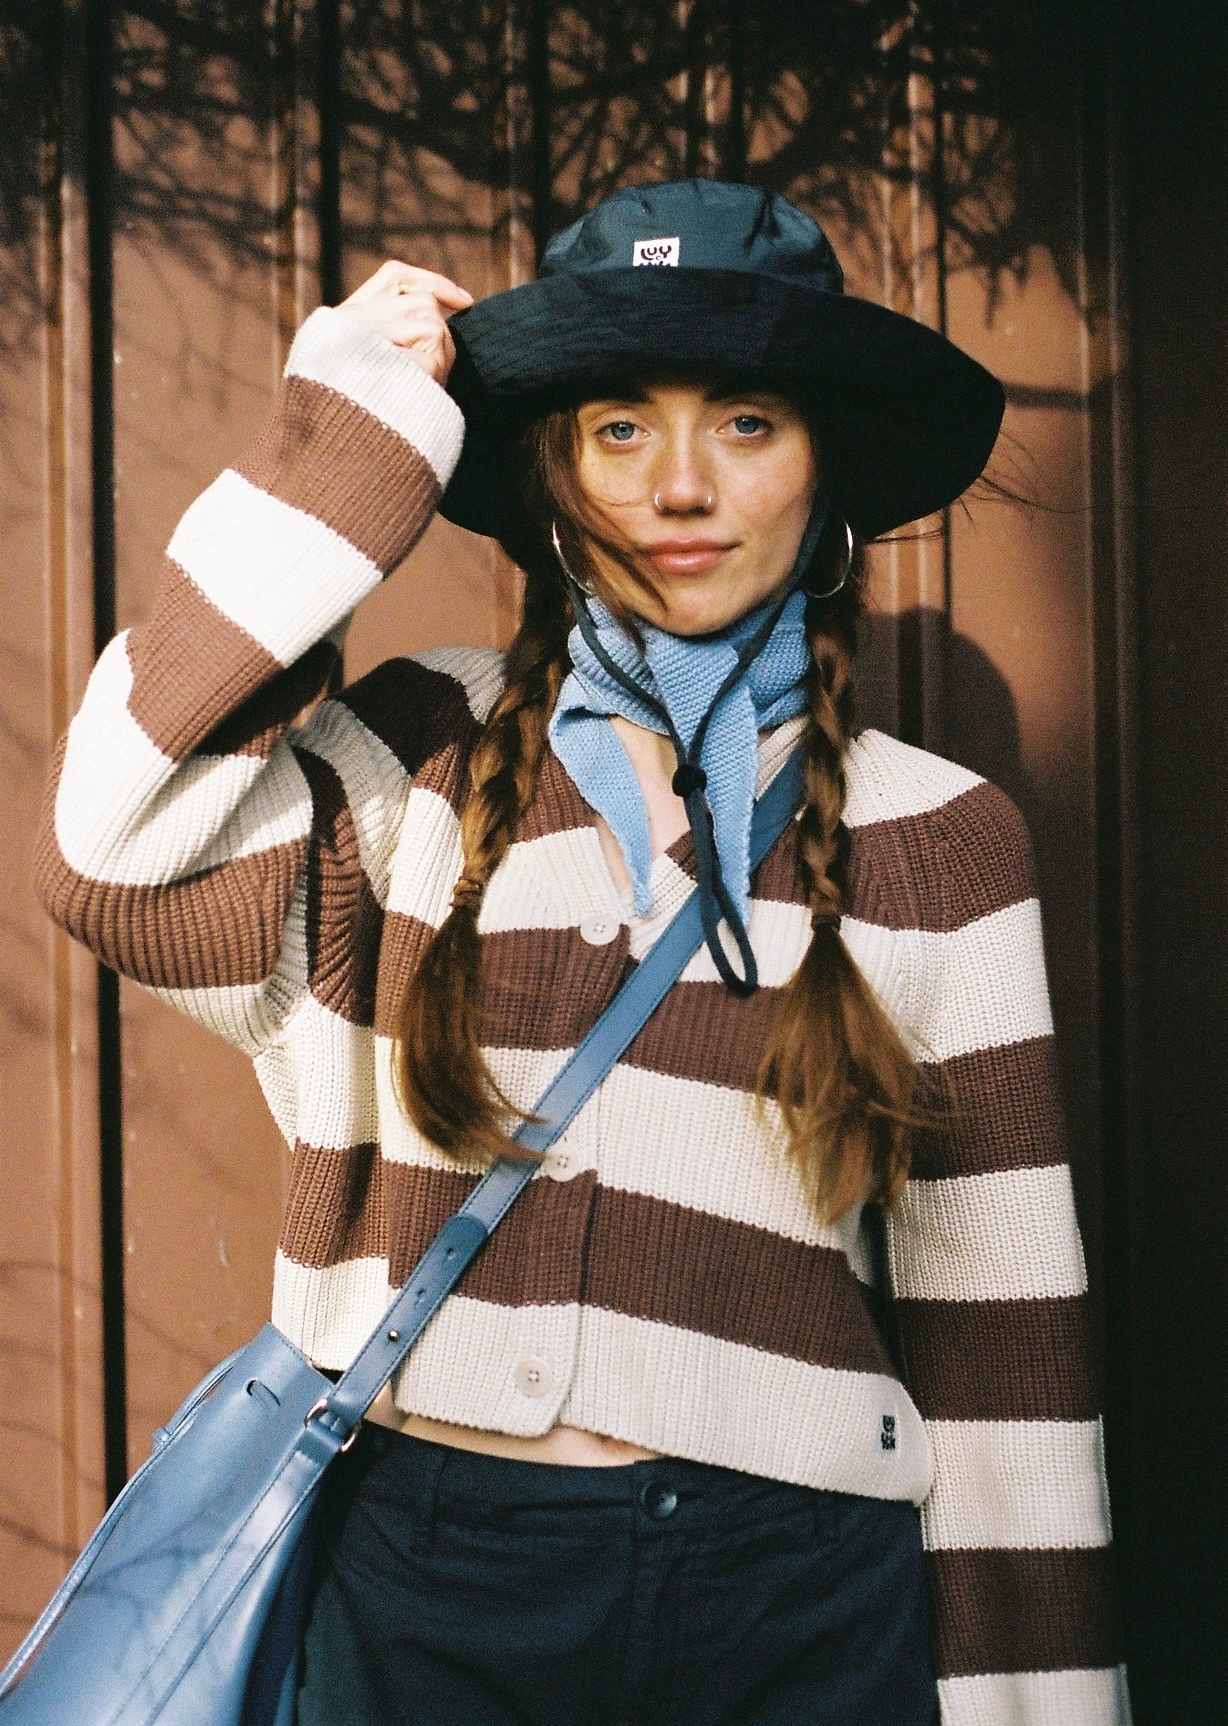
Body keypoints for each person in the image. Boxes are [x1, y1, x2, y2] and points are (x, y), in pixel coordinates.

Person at [35, 179, 1127, 1724]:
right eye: (620, 428)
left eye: (746, 423)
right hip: (427, 1590)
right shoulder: (413, 752)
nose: (682, 486)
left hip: (800, 1603)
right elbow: (112, 850)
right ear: (554, 473)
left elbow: (1008, 1358)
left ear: (825, 471)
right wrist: (341, 451)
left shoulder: (943, 838)